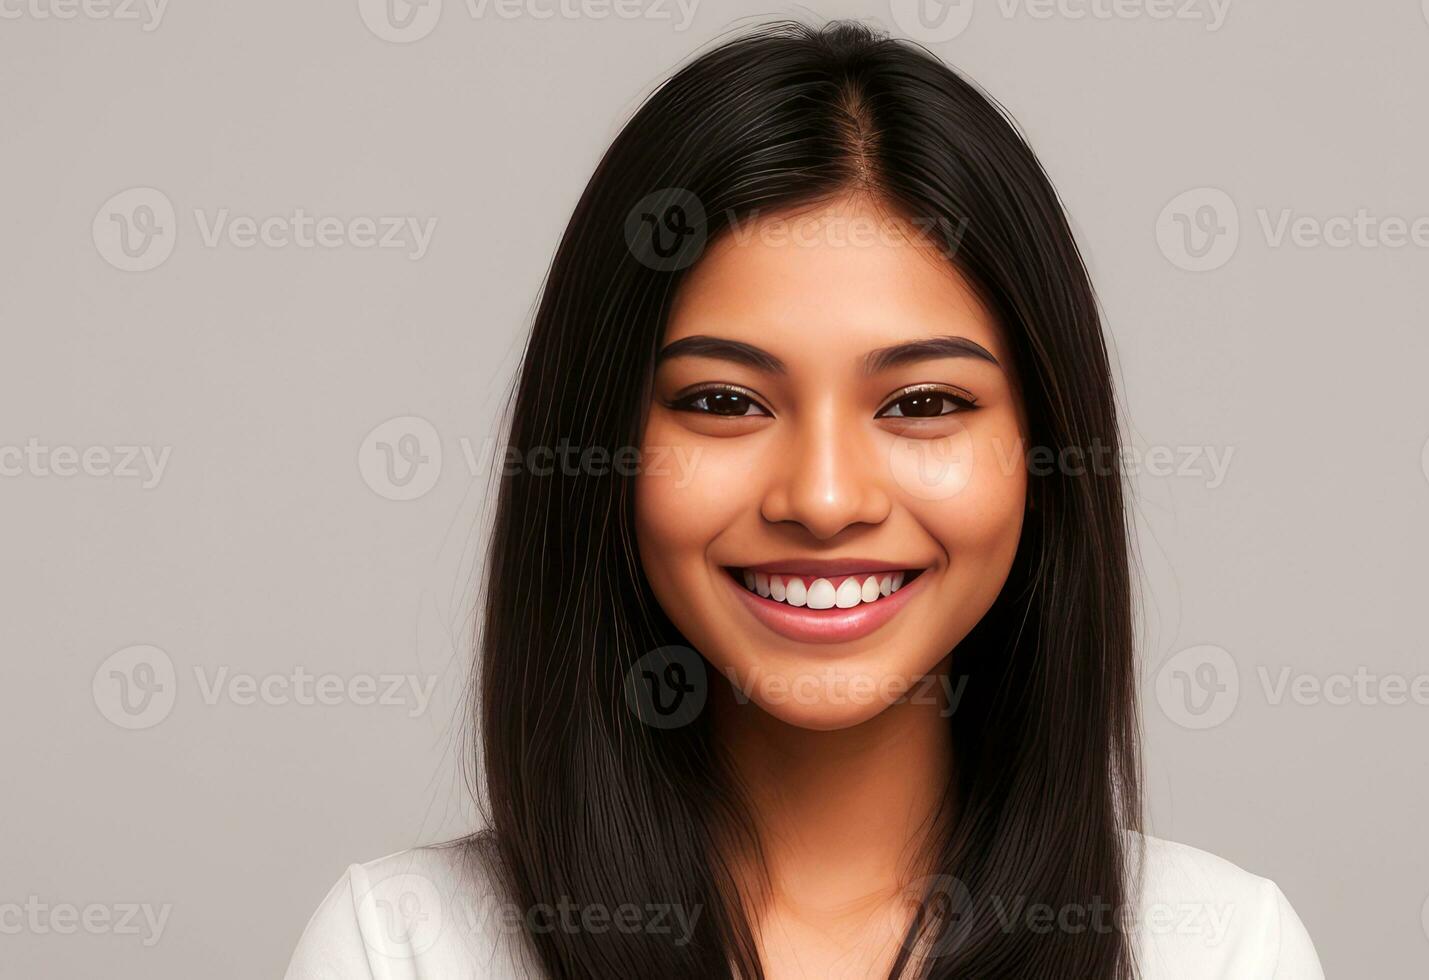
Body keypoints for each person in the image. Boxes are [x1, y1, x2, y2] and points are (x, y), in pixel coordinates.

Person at [286, 20, 1324, 979]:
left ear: (1044, 452)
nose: (824, 499)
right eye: (725, 401)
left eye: (922, 401)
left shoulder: (1221, 948)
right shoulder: (401, 949)